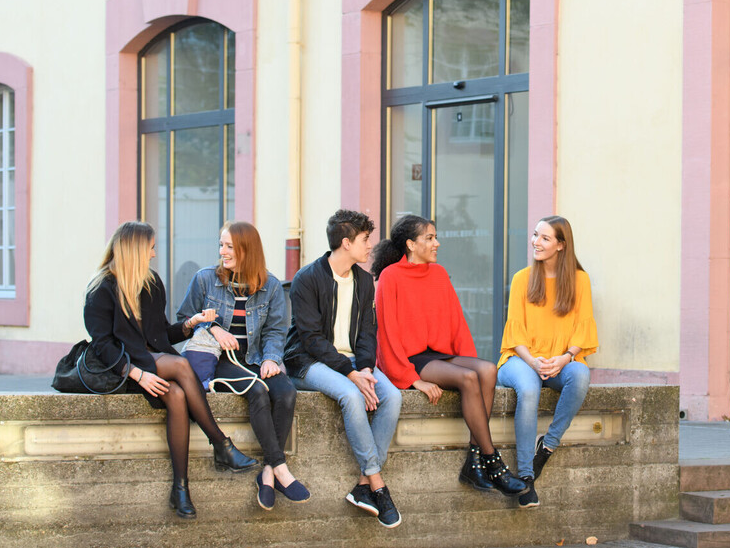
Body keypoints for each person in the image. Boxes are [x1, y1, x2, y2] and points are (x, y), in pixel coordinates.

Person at [84, 221, 259, 519]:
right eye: (151, 248)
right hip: (122, 370)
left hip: (153, 362)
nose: (153, 255)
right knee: (179, 364)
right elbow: (103, 347)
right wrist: (138, 374)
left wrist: (191, 323)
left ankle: (180, 490)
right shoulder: (101, 290)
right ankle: (221, 444)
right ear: (135, 250)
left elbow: (162, 335)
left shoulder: (150, 283)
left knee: (177, 395)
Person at [372, 214, 527, 498]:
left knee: (487, 371)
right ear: (410, 244)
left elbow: (456, 322)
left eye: (435, 237)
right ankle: (493, 462)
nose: (436, 243)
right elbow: (386, 334)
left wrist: (469, 359)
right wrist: (410, 378)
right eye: (429, 238)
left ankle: (474, 460)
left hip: (438, 355)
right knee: (468, 378)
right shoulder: (390, 277)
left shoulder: (439, 273)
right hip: (412, 359)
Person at [176, 221, 309, 511]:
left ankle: (267, 474)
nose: (222, 251)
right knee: (258, 391)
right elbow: (184, 318)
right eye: (221, 245)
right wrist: (212, 328)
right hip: (219, 359)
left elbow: (276, 330)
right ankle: (280, 468)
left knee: (286, 392)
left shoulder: (271, 286)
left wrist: (273, 359)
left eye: (229, 246)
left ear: (247, 251)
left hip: (255, 356)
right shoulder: (204, 279)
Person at [285, 209, 403, 528]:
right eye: (366, 240)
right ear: (346, 243)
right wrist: (352, 376)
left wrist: (364, 369)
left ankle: (363, 487)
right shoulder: (307, 279)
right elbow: (310, 339)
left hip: (353, 363)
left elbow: (368, 332)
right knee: (351, 397)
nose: (370, 247)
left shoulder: (365, 281)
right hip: (309, 362)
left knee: (392, 397)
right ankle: (377, 483)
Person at [496, 216, 597, 508]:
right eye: (535, 235)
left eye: (545, 238)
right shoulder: (521, 278)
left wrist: (564, 358)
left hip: (560, 360)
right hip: (519, 358)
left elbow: (583, 327)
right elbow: (514, 331)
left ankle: (548, 445)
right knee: (529, 390)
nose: (535, 242)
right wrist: (534, 361)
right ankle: (526, 477)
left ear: (561, 245)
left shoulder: (580, 280)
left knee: (580, 375)